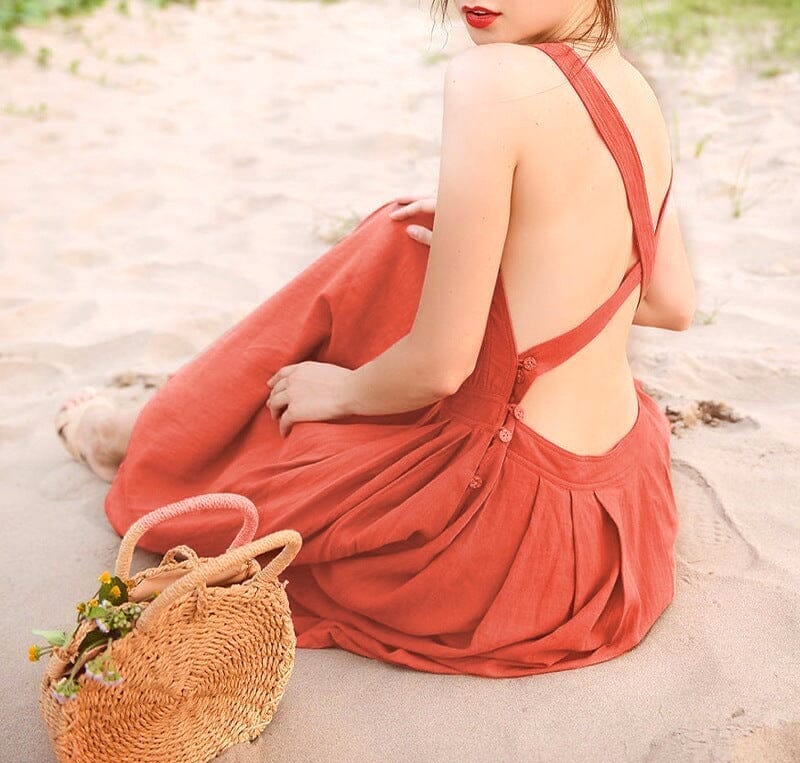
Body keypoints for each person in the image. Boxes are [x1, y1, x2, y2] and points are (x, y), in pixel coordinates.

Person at [54, 0, 695, 678]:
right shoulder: (630, 85)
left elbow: (439, 368)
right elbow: (670, 302)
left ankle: (147, 437)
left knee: (369, 280)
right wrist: (526, 240)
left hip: (505, 550)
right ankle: (156, 428)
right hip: (615, 522)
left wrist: (347, 391)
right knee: (405, 243)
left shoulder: (495, 81)